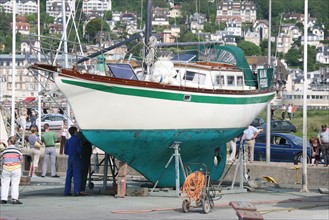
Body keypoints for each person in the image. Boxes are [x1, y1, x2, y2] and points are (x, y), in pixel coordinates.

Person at [0, 136, 23, 204]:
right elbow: (21, 160)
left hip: (6, 168)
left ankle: (4, 199)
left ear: (9, 142)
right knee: (15, 184)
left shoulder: (5, 150)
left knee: (4, 184)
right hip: (16, 168)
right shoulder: (18, 150)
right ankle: (14, 199)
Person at [64, 126, 82, 196]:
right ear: (75, 132)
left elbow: (66, 151)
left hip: (70, 158)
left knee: (69, 175)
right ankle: (76, 190)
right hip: (76, 158)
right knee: (76, 174)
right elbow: (79, 150)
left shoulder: (68, 141)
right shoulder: (77, 140)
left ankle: (67, 190)